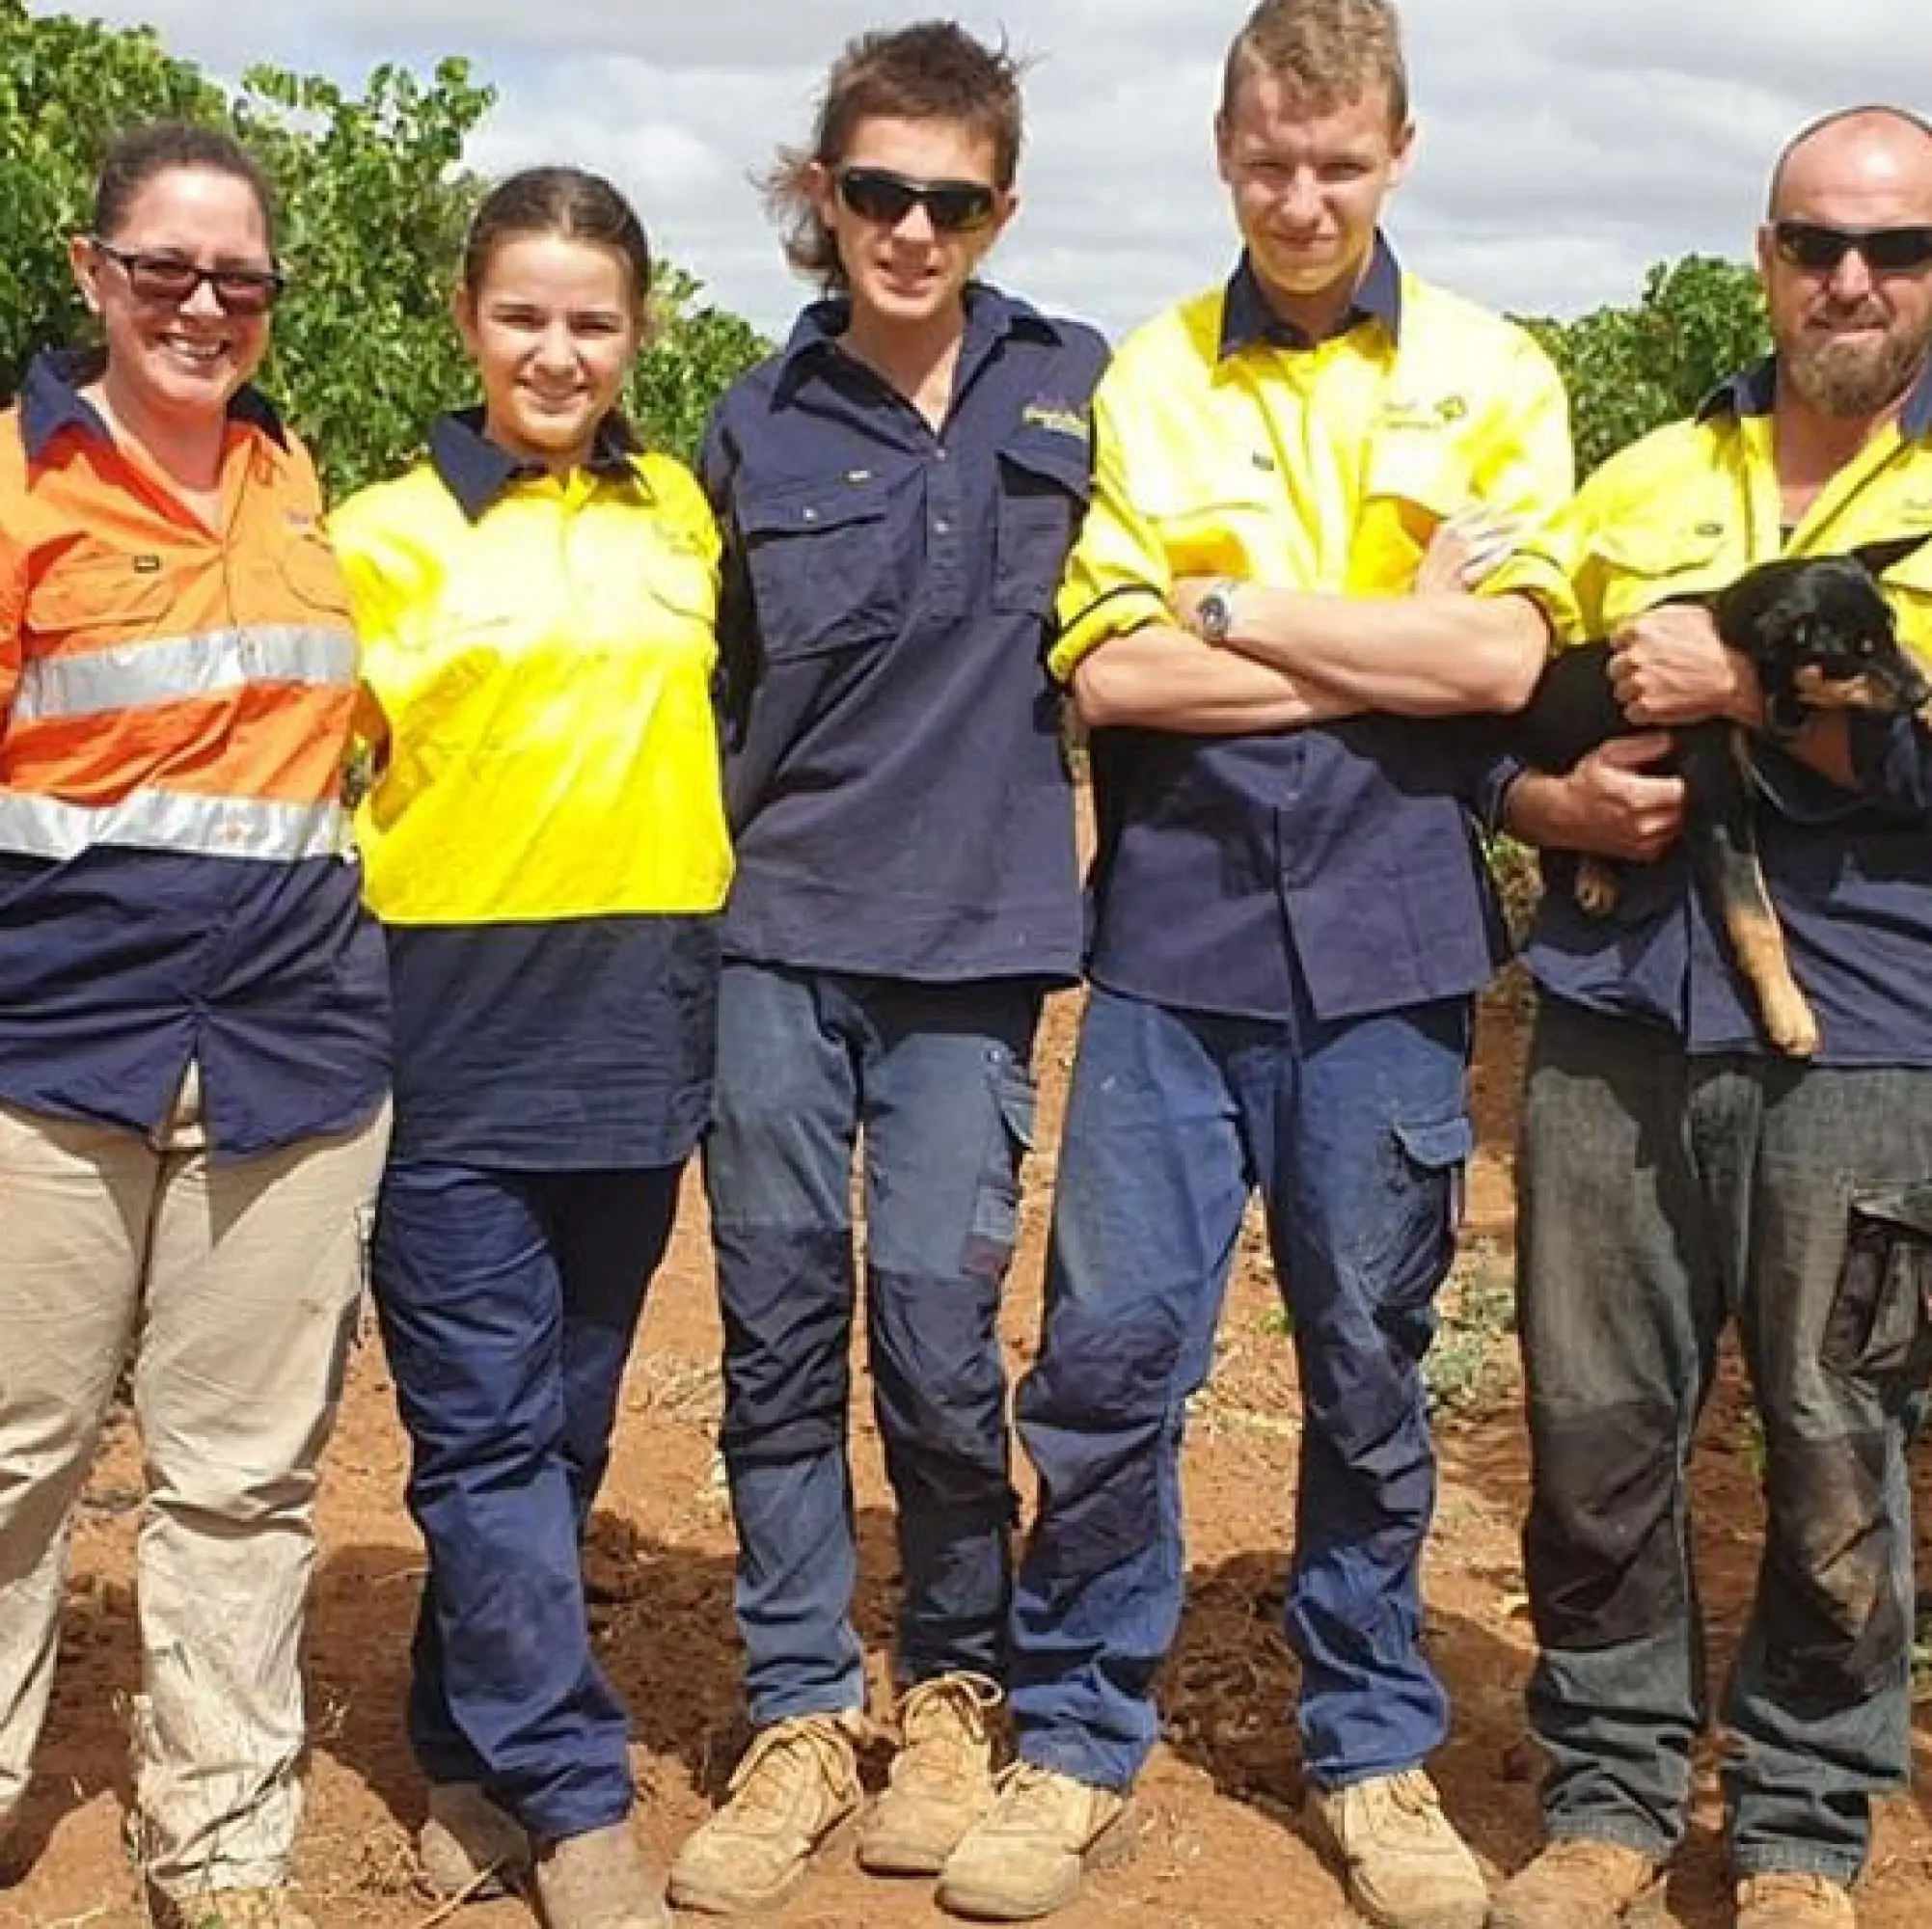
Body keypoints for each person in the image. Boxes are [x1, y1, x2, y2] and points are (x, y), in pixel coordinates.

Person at [933, 3, 1577, 1923]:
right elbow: (1111, 666)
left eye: (1337, 163)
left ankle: (1371, 1742)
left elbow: (1498, 666)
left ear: (1394, 152)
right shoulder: (1148, 376)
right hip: (1175, 946)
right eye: (1265, 162)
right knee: (1116, 1358)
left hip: (1387, 950)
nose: (1299, 198)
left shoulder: (1487, 372)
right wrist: (1373, 632)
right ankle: (1071, 1731)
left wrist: (1247, 614)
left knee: (1372, 1368)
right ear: (1224, 155)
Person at [665, 21, 1108, 1918]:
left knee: (935, 1338)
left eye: (946, 198)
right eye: (873, 193)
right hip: (772, 938)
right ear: (821, 199)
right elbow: (698, 689)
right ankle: (790, 1704)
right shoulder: (749, 428)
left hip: (977, 955)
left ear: (994, 205)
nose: (908, 229)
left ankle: (949, 1683)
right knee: (773, 1336)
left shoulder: (1083, 391)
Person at [1489, 105, 1932, 1929]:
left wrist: (1746, 681)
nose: (1848, 278)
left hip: (1874, 1034)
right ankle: (1605, 1791)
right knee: (1594, 1421)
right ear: (1760, 256)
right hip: (1609, 1021)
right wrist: (1549, 808)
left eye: (1893, 251)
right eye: (1812, 241)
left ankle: (1803, 1823)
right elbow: (1515, 708)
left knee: (1837, 1431)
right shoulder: (1649, 471)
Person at [329, 167, 730, 1929]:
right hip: (449, 1032)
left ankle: (460, 1744)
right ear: (466, 321)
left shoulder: (682, 524)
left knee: (555, 1438)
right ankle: (573, 1800)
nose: (556, 350)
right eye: (522, 315)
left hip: (641, 1021)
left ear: (636, 330)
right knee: (480, 1439)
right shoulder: (383, 532)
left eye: (591, 319)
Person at [0, 122, 391, 1929]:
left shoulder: (307, 489)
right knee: (14, 1451)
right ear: (92, 274)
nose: (205, 306)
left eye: (241, 278)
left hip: (288, 1056)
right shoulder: (15, 483)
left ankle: (221, 1853)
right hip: (48, 1045)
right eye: (167, 271)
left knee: (243, 1481)